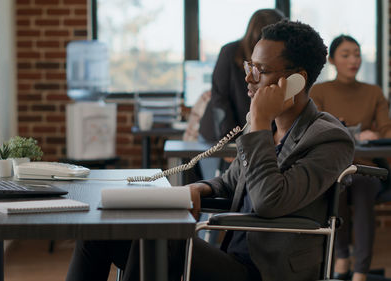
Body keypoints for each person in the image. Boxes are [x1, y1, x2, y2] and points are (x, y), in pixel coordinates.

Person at [66, 20, 355, 281]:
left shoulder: (328, 138)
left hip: (267, 270)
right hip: (233, 259)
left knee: (159, 237)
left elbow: (269, 200)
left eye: (261, 71)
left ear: (297, 80)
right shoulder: (266, 127)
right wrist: (201, 188)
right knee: (100, 232)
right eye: (249, 67)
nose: (249, 78)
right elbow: (230, 182)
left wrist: (259, 123)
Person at [310, 35, 391, 281]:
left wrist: (374, 133)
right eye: (346, 55)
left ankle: (361, 271)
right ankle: (342, 257)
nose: (353, 60)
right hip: (333, 167)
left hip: (367, 167)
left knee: (363, 186)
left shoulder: (373, 92)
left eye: (356, 54)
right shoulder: (319, 91)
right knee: (338, 186)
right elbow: (313, 128)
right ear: (332, 60)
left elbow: (387, 131)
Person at [197, 8, 285, 179]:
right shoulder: (230, 52)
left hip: (254, 131)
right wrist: (230, 143)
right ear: (254, 36)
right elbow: (220, 98)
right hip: (219, 132)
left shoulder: (279, 60)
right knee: (217, 185)